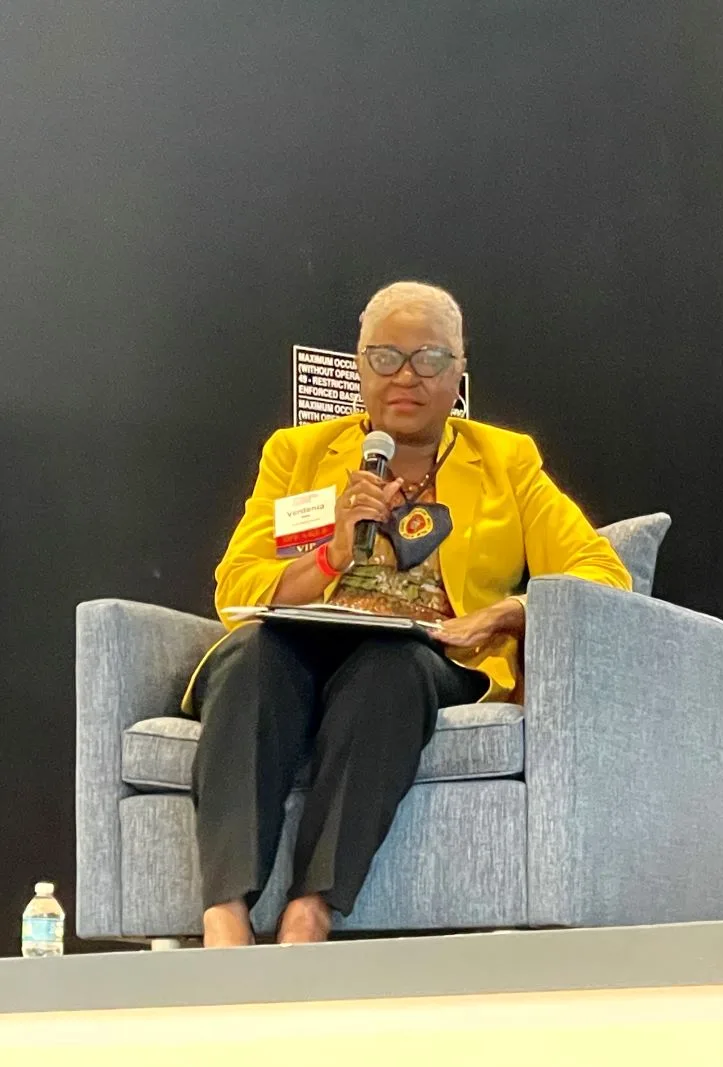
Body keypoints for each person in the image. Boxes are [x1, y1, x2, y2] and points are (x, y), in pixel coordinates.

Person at [185, 280, 631, 948]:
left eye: (430, 358)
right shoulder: (298, 454)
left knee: (387, 668)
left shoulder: (507, 460)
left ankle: (310, 910)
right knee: (251, 656)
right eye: (386, 357)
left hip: (426, 653)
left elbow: (603, 572)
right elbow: (238, 586)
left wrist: (505, 613)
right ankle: (224, 914)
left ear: (459, 371)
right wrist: (332, 555)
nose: (406, 376)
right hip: (301, 642)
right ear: (360, 366)